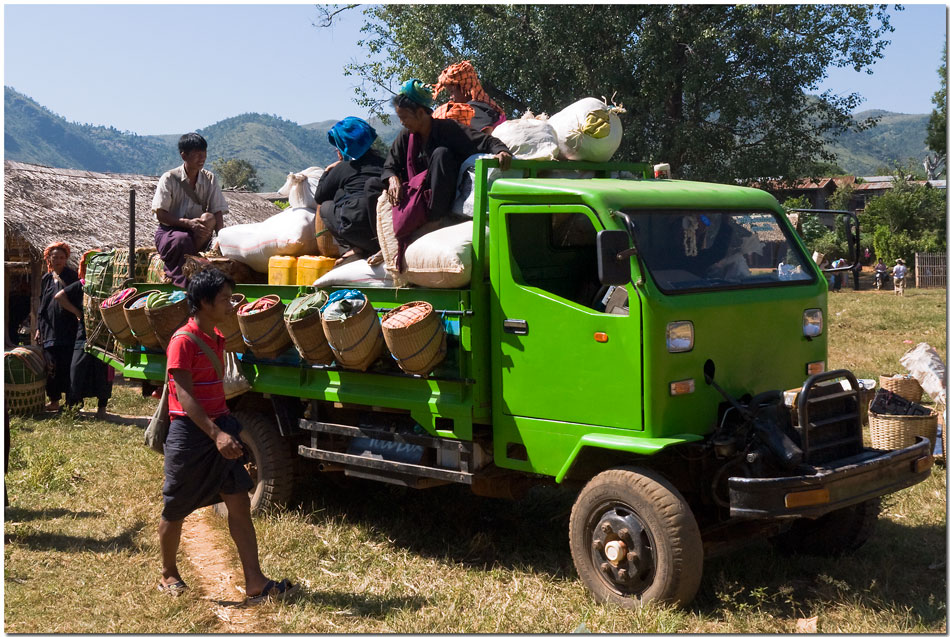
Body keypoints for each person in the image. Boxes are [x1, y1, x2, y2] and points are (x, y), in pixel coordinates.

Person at [157, 268, 295, 604]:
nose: (231, 305)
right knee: (174, 508)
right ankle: (168, 574)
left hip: (219, 428)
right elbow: (184, 396)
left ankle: (255, 581)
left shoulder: (215, 337)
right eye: (224, 299)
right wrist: (217, 434)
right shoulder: (183, 340)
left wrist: (223, 430)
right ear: (203, 303)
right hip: (191, 435)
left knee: (239, 504)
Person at [383, 79, 512, 251]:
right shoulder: (406, 136)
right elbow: (389, 166)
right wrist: (393, 180)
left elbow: (486, 141)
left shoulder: (448, 129)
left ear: (421, 113)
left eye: (404, 117)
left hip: (443, 198)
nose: (402, 122)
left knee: (441, 153)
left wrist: (502, 152)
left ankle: (435, 221)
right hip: (418, 199)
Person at [152, 133, 229, 288]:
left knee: (209, 218)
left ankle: (194, 255)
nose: (202, 158)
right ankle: (184, 282)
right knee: (182, 240)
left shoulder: (209, 178)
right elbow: (161, 214)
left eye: (204, 153)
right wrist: (187, 223)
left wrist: (222, 239)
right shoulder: (169, 178)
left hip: (198, 233)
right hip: (171, 232)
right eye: (197, 154)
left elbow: (217, 211)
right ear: (184, 155)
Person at [314, 116, 387, 263]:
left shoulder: (342, 168)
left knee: (326, 206)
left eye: (338, 148)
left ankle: (351, 247)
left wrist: (327, 171)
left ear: (343, 148)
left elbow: (319, 197)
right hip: (384, 232)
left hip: (356, 232)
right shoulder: (385, 164)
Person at [53, 276, 113, 418]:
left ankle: (100, 408)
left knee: (101, 369)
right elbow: (59, 297)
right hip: (87, 333)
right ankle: (76, 406)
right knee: (79, 369)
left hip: (104, 333)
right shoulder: (83, 284)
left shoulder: (112, 285)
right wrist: (77, 312)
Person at [35, 242, 79, 412]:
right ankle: (54, 401)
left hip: (68, 329)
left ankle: (71, 402)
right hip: (49, 330)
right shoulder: (46, 279)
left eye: (62, 257)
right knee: (51, 366)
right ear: (49, 259)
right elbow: (42, 305)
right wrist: (39, 328)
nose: (59, 260)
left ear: (66, 259)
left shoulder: (72, 277)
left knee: (68, 365)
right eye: (55, 257)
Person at [432, 60, 507, 133]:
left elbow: (486, 134)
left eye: (452, 92)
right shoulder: (485, 104)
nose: (451, 97)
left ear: (464, 87)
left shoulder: (472, 108)